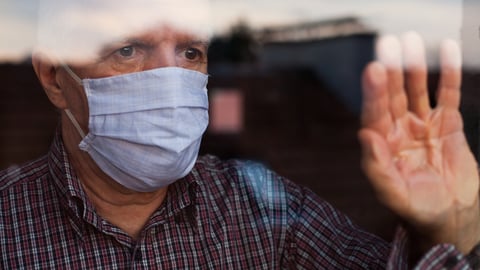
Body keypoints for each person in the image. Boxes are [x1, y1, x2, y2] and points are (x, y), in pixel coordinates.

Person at [1, 0, 479, 269]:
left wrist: (450, 228)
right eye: (127, 50)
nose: (171, 82)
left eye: (190, 53)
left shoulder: (264, 209)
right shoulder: (7, 227)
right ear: (52, 78)